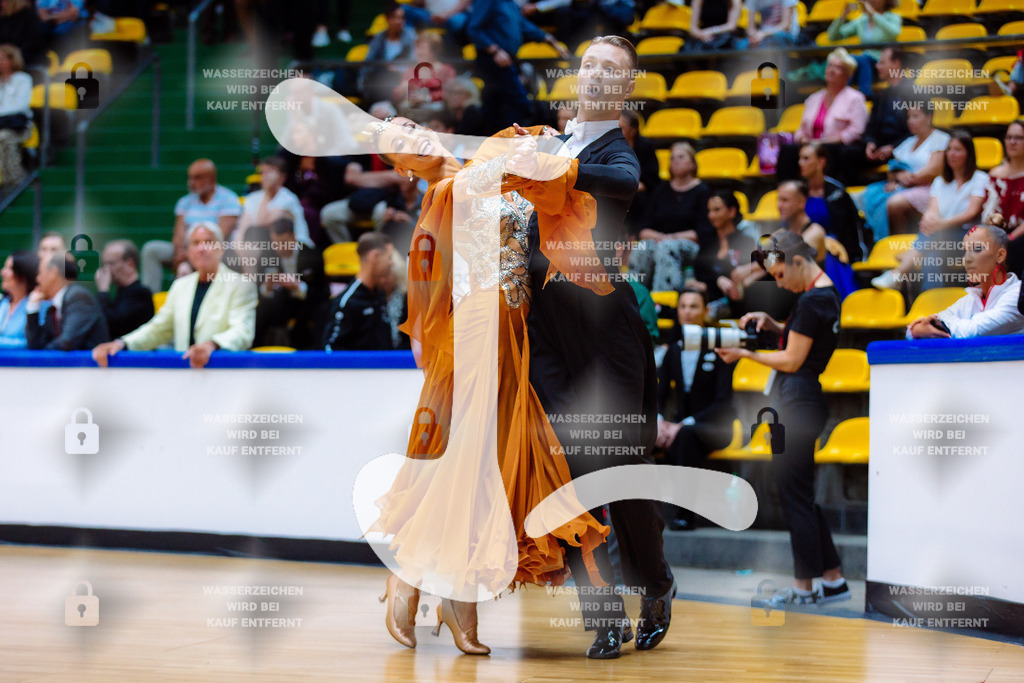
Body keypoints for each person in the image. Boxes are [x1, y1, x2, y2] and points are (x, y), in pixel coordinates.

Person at [366, 116, 610, 656]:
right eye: (402, 145)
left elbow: (544, 176)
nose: (415, 138)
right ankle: (416, 581)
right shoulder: (447, 191)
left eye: (409, 126)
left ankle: (449, 593)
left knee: (487, 464)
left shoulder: (484, 160)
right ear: (406, 167)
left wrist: (540, 144)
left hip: (515, 328)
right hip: (480, 324)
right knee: (471, 457)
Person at [520, 35, 675, 659]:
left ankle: (657, 585)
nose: (596, 75)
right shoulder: (548, 144)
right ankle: (604, 612)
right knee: (570, 473)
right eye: (588, 65)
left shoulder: (616, 154)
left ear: (626, 88)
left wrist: (553, 169)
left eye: (611, 69)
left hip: (607, 329)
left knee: (623, 475)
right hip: (548, 330)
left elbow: (618, 184)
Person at [716, 230, 851, 607]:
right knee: (800, 496)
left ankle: (804, 587)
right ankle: (834, 579)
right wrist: (775, 326)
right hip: (799, 401)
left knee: (795, 498)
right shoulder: (816, 295)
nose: (779, 283)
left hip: (797, 403)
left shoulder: (814, 300)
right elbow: (799, 343)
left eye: (778, 276)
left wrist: (744, 353)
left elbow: (792, 360)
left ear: (797, 262)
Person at [91, 222, 258, 369]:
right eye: (195, 243)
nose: (201, 248)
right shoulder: (180, 286)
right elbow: (158, 328)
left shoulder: (241, 284)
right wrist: (121, 343)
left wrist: (212, 345)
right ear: (188, 251)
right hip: (186, 374)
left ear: (221, 248)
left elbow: (242, 331)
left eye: (208, 242)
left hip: (227, 374)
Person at [656, 287, 737, 531]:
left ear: (705, 311)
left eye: (694, 306)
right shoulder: (674, 350)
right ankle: (636, 514)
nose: (688, 312)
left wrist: (684, 424)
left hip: (717, 427)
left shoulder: (720, 347)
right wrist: (660, 421)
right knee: (641, 433)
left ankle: (685, 514)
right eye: (683, 306)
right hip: (681, 426)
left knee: (686, 436)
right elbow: (657, 394)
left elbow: (723, 403)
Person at [874, 131, 987, 291]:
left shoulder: (979, 178)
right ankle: (931, 298)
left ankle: (899, 271)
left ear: (969, 154)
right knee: (931, 255)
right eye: (949, 149)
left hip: (969, 235)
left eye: (958, 150)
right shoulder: (940, 181)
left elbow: (972, 212)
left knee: (933, 237)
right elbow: (932, 209)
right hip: (942, 236)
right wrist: (929, 220)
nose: (952, 154)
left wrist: (941, 224)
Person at [141, 159, 242, 293]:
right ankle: (149, 301)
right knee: (151, 250)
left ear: (211, 179)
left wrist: (190, 257)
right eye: (190, 178)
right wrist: (181, 254)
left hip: (216, 253)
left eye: (197, 178)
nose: (191, 182)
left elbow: (220, 237)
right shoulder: (184, 202)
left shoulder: (229, 200)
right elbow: (178, 236)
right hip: (186, 250)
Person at [908, 225, 1024, 338]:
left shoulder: (1017, 294)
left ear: (1000, 255)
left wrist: (939, 324)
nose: (967, 259)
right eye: (965, 251)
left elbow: (971, 331)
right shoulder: (972, 297)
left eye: (977, 249)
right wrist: (917, 330)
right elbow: (911, 331)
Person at [467, 0, 567, 131]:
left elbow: (521, 23)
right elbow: (474, 28)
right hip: (493, 58)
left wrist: (548, 39)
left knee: (494, 102)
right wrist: (494, 50)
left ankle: (493, 140)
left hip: (507, 58)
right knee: (518, 101)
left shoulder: (510, 3)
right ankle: (512, 138)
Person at [779, 48, 869, 186]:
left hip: (834, 146)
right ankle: (789, 191)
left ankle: (825, 192)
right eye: (830, 66)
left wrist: (827, 141)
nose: (832, 70)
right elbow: (801, 129)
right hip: (811, 144)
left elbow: (856, 131)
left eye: (838, 68)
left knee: (829, 152)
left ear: (848, 75)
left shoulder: (856, 98)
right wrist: (802, 138)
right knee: (787, 150)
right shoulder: (813, 98)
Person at [628, 141, 709, 292]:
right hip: (661, 240)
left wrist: (670, 238)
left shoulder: (702, 192)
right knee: (641, 248)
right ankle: (633, 295)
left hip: (689, 245)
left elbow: (702, 232)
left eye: (681, 157)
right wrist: (660, 237)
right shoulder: (661, 191)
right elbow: (643, 228)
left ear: (692, 163)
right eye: (672, 158)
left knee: (666, 248)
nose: (676, 161)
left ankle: (664, 300)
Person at [862, 103, 948, 240]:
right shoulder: (908, 141)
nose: (910, 121)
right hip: (906, 187)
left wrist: (904, 180)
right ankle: (880, 243)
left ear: (928, 117)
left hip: (931, 190)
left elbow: (932, 172)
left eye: (915, 116)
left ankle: (898, 243)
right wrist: (897, 177)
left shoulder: (941, 139)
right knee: (868, 194)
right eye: (908, 117)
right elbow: (892, 169)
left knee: (895, 203)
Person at [233, 156, 312, 274]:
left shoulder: (288, 198)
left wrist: (267, 193)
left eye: (270, 172)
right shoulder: (252, 199)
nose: (265, 176)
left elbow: (262, 223)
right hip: (266, 248)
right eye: (262, 172)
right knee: (243, 249)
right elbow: (244, 229)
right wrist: (238, 248)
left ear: (282, 177)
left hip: (297, 248)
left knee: (258, 238)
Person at [320, 232, 393, 351]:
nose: (392, 263)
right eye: (389, 257)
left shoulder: (379, 295)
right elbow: (330, 350)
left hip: (385, 368)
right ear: (374, 256)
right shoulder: (347, 302)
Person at [798, 141, 866, 264]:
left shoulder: (837, 193)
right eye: (800, 158)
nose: (800, 163)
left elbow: (852, 229)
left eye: (806, 158)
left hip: (834, 251)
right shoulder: (798, 192)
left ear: (821, 162)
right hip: (803, 249)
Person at [694, 190, 758, 319]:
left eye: (717, 210)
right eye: (709, 210)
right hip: (709, 296)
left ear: (732, 211)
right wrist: (718, 280)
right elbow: (699, 270)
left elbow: (743, 272)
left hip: (734, 299)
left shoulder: (745, 241)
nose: (711, 215)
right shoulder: (707, 241)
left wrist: (726, 282)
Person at [26, 253, 109, 350]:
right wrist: (33, 307)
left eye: (40, 273)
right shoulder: (53, 306)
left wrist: (42, 351)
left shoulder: (78, 296)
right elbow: (35, 344)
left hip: (90, 365)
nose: (37, 278)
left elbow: (67, 342)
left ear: (53, 273)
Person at [826, 0, 901, 97]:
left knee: (863, 59)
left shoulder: (892, 17)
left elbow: (894, 32)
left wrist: (873, 14)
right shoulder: (861, 21)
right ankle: (839, 95)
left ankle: (864, 95)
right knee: (847, 60)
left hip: (881, 64)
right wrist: (843, 15)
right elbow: (833, 37)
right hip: (863, 65)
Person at [982, 120, 1024, 276]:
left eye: (1019, 138)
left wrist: (1010, 238)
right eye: (1009, 137)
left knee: (1015, 247)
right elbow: (988, 212)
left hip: (1019, 233)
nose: (1012, 142)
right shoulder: (995, 174)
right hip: (1000, 231)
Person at [95, 239, 154, 339]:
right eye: (105, 264)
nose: (106, 270)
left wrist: (103, 290)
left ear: (130, 264)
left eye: (111, 263)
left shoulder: (141, 294)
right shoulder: (120, 294)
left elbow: (109, 325)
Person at [359, 3, 417, 104]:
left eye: (402, 18)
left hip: (403, 80)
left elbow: (414, 61)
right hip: (381, 81)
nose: (399, 21)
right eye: (395, 17)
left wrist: (399, 70)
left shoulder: (410, 37)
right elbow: (368, 63)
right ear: (387, 19)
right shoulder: (378, 39)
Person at [863, 47, 912, 168]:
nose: (877, 66)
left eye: (882, 63)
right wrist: (870, 142)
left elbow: (918, 132)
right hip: (879, 147)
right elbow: (871, 126)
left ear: (896, 63)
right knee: (844, 152)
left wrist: (893, 147)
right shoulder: (881, 95)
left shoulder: (915, 93)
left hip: (904, 147)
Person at [391, 32, 457, 109]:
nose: (418, 52)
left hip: (437, 113)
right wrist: (401, 90)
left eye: (422, 48)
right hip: (413, 111)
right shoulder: (411, 71)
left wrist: (426, 98)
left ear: (433, 51)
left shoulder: (447, 70)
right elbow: (396, 98)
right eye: (417, 48)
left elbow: (451, 94)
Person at [0, 44, 32, 188]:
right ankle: (7, 181)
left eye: (1, 58)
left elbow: (20, 105)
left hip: (19, 126)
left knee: (4, 137)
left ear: (11, 60)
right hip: (2, 124)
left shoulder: (23, 79)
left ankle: (17, 180)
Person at [0, 250, 36, 348]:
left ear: (23, 275)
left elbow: (32, 342)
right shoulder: (3, 303)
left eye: (9, 268)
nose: (2, 272)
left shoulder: (35, 307)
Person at [0, 0, 43, 67]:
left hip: (24, 55)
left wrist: (15, 52)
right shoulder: (3, 18)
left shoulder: (29, 16)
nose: (2, 4)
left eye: (4, 2)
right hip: (4, 53)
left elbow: (34, 39)